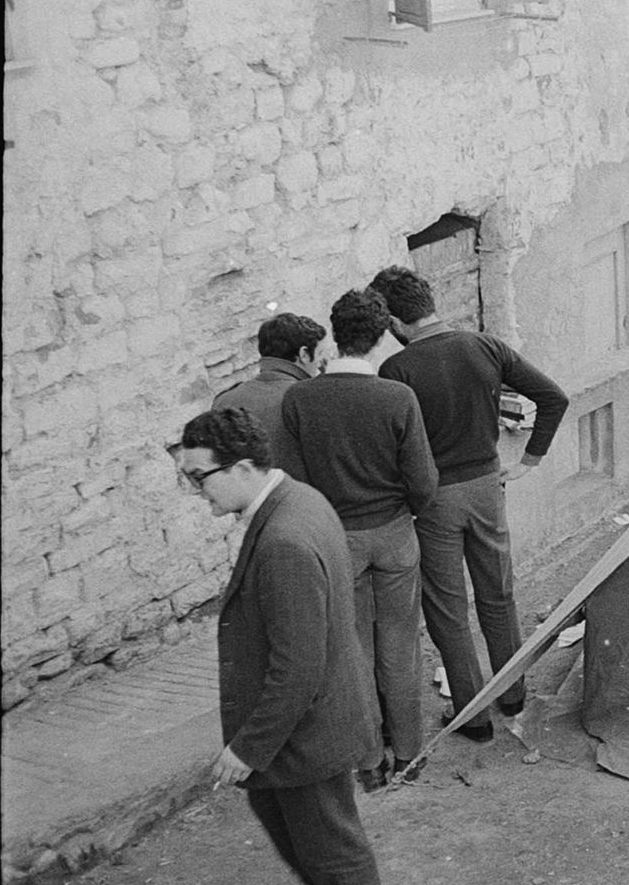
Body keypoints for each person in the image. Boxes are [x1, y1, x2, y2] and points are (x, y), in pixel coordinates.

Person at [171, 407, 389, 885]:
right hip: (312, 720)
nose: (194, 492)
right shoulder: (296, 499)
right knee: (283, 820)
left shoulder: (286, 539)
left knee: (330, 841)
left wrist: (248, 747)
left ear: (241, 467)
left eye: (198, 477)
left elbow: (297, 667)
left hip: (309, 728)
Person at [370, 266, 570, 744]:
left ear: (397, 323)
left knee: (447, 608)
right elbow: (553, 397)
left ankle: (474, 719)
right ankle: (513, 695)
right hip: (486, 487)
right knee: (498, 595)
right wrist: (529, 460)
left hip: (435, 498)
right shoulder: (486, 346)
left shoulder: (396, 371)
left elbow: (399, 449)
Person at [276, 289, 439, 789]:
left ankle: (369, 760)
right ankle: (409, 753)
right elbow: (424, 482)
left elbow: (293, 480)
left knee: (352, 653)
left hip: (336, 540)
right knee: (400, 648)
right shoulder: (397, 397)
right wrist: (403, 511)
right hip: (392, 535)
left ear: (335, 333)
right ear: (379, 337)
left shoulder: (299, 399)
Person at [213, 313, 328, 455]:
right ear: (304, 354)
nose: (323, 361)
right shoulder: (309, 400)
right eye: (320, 353)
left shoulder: (224, 400)